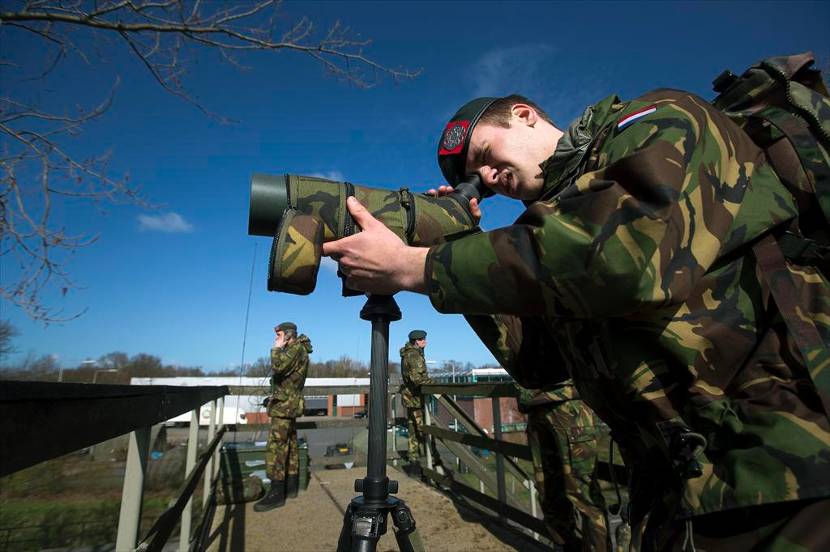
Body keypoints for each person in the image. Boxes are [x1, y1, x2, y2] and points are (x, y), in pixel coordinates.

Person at [323, 87, 830, 550]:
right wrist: (455, 246)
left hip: (780, 462)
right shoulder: (551, 227)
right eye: (476, 180)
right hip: (677, 491)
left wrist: (415, 266)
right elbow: (538, 362)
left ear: (523, 116)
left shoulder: (656, 121)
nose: (487, 180)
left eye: (483, 157)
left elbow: (627, 259)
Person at [518, 381, 609, 551]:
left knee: (584, 494)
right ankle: (566, 546)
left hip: (570, 409)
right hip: (536, 410)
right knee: (548, 490)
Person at [254, 321, 312, 512]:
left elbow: (278, 366)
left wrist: (276, 349)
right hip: (287, 404)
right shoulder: (299, 350)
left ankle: (276, 493)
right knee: (289, 445)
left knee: (276, 448)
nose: (275, 339)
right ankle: (291, 486)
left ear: (288, 335)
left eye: (278, 336)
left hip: (284, 407)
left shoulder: (295, 350)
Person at [399, 329, 431, 467]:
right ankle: (430, 459)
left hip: (410, 398)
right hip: (415, 398)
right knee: (422, 429)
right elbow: (417, 379)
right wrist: (434, 384)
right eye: (423, 339)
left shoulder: (408, 353)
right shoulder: (414, 355)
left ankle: (414, 458)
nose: (425, 341)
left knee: (413, 429)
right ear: (416, 341)